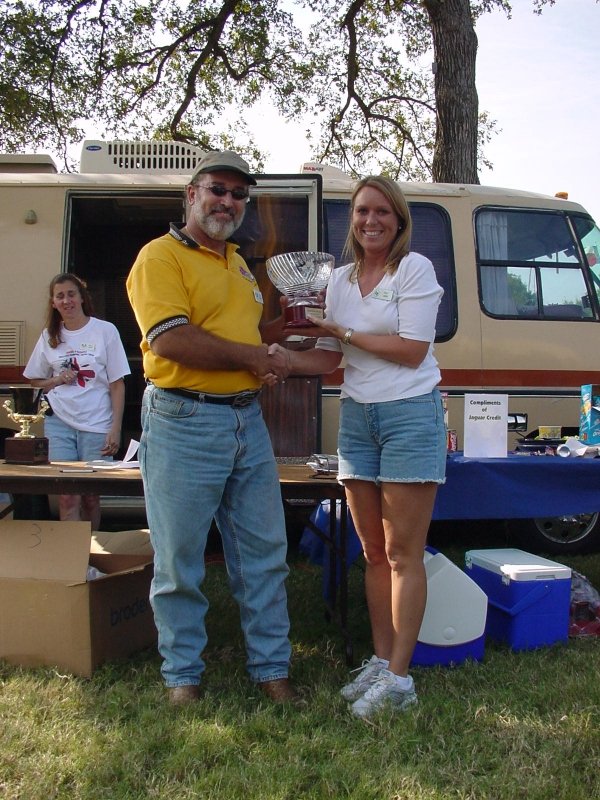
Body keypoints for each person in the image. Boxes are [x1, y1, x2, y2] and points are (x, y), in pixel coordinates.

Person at [126, 150, 298, 706]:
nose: (228, 201)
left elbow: (243, 336)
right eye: (217, 189)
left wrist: (286, 327)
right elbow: (171, 338)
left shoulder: (238, 265)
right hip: (183, 418)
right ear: (190, 196)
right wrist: (253, 356)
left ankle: (273, 673)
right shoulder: (159, 257)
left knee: (266, 553)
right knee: (179, 560)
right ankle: (183, 680)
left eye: (238, 194)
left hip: (247, 420)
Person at [271, 175, 446, 719]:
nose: (371, 221)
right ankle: (378, 658)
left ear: (398, 221)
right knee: (370, 552)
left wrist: (342, 333)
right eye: (362, 212)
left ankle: (400, 679)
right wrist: (277, 357)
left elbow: (413, 350)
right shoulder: (340, 280)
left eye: (382, 213)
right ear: (352, 220)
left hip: (410, 415)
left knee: (402, 554)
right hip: (357, 418)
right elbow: (326, 359)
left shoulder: (414, 270)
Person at [24, 273, 130, 530]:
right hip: (59, 424)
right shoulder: (50, 336)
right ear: (53, 303)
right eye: (60, 296)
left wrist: (115, 428)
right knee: (67, 496)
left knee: (91, 497)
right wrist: (57, 380)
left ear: (82, 297)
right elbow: (34, 380)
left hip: (97, 424)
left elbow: (117, 384)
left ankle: (91, 560)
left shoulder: (105, 331)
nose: (66, 300)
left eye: (71, 294)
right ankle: (73, 563)